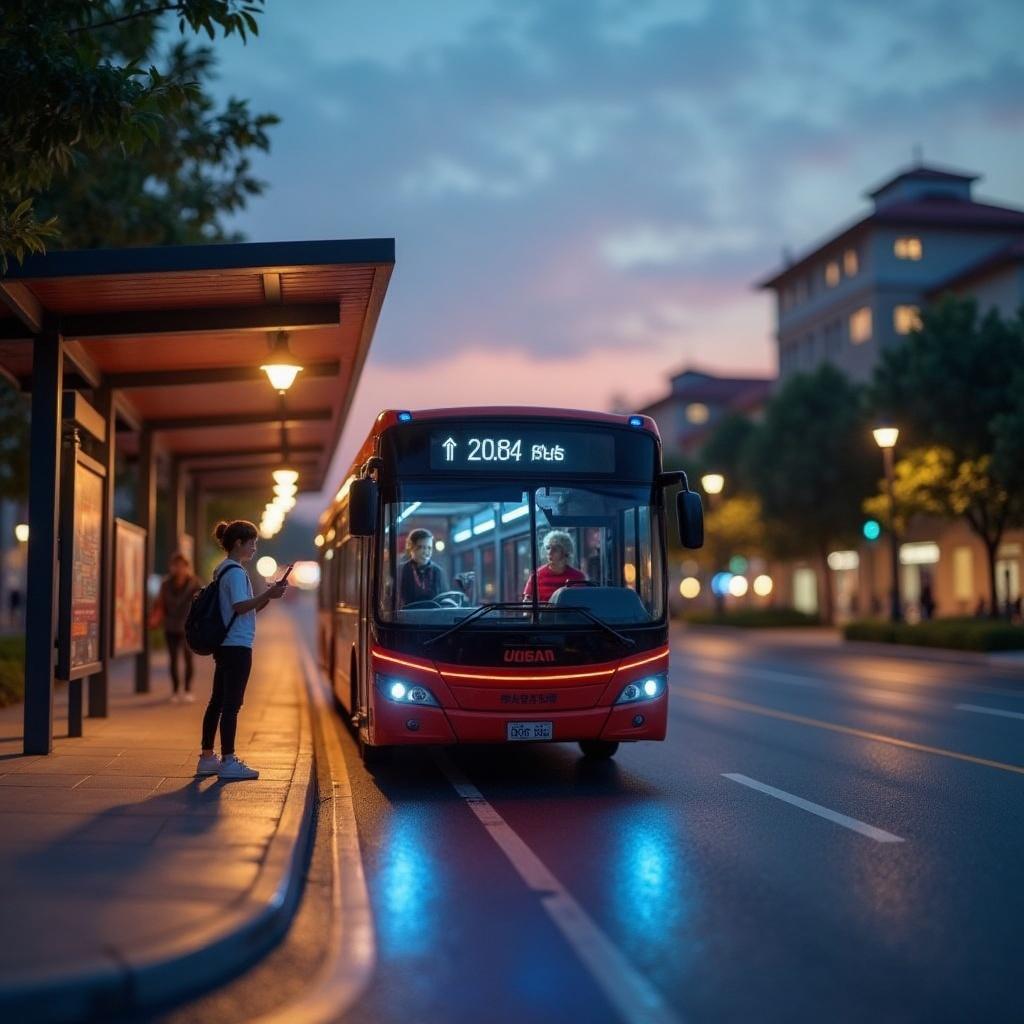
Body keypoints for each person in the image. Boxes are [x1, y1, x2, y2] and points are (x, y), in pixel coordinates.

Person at [197, 520, 288, 781]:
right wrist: (268, 596)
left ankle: (207, 758)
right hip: (237, 645)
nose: (255, 548)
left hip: (227, 643)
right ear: (238, 543)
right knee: (231, 705)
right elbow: (239, 607)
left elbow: (243, 610)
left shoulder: (222, 570)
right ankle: (228, 760)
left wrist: (269, 597)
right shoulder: (235, 572)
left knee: (217, 701)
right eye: (252, 543)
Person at [150, 552, 202, 702]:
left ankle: (187, 690)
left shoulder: (195, 583)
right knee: (172, 659)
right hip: (170, 626)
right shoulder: (165, 584)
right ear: (171, 567)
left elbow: (202, 603)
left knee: (188, 658)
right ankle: (175, 690)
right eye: (176, 566)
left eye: (182, 566)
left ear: (187, 567)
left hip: (188, 627)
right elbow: (159, 603)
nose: (179, 569)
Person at [523, 530, 586, 603]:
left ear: (566, 552)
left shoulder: (578, 577)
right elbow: (527, 605)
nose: (549, 552)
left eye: (555, 549)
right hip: (543, 614)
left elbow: (583, 604)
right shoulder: (537, 575)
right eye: (548, 548)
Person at [398, 528, 448, 606]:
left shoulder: (438, 572)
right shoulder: (400, 571)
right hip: (407, 617)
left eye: (429, 548)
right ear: (411, 547)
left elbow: (445, 600)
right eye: (421, 547)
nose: (426, 552)